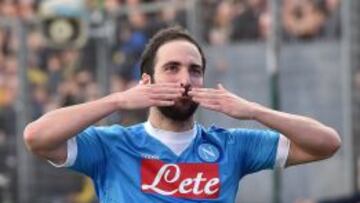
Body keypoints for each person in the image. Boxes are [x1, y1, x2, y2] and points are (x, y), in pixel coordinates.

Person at [23, 26, 341, 202]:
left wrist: (255, 111)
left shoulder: (232, 146)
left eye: (195, 70)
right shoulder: (110, 146)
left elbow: (326, 143)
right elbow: (37, 137)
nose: (185, 80)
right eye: (172, 68)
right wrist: (118, 100)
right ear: (146, 81)